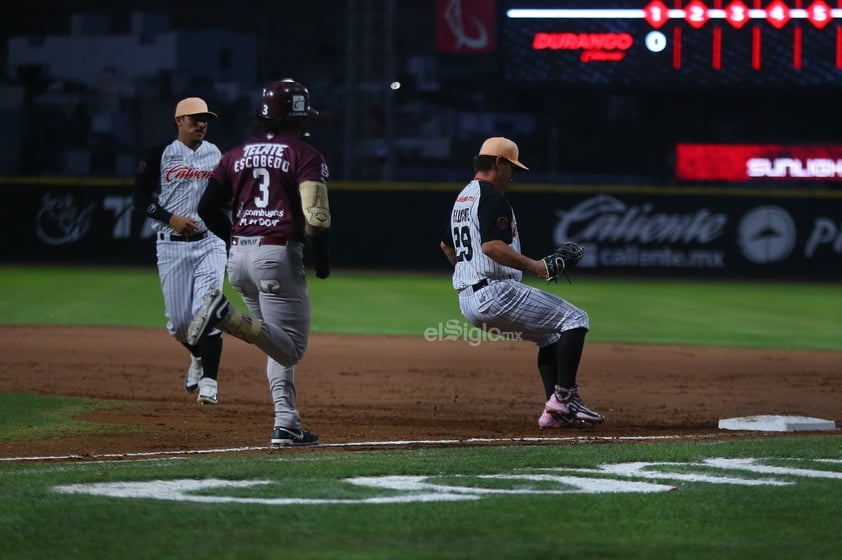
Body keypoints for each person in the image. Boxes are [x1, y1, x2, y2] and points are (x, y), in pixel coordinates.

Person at [186, 79, 331, 448]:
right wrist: (323, 258)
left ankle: (286, 423)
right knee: (292, 347)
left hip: (239, 258)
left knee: (272, 338)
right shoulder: (305, 154)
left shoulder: (235, 154)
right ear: (297, 118)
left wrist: (235, 237)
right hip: (277, 254)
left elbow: (206, 208)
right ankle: (224, 317)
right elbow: (316, 218)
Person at [439, 137, 604, 429]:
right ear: (498, 163)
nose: (513, 174)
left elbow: (447, 246)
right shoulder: (492, 196)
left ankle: (555, 413)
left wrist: (467, 272)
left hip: (469, 298)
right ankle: (565, 398)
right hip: (495, 292)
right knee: (576, 319)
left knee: (550, 337)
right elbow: (492, 247)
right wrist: (537, 267)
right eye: (512, 167)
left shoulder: (463, 198)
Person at [132, 97, 227, 405]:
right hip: (171, 246)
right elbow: (139, 199)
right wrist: (168, 218)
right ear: (178, 121)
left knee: (207, 309)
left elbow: (226, 196)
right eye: (194, 118)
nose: (201, 124)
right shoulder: (160, 153)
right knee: (179, 325)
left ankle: (210, 382)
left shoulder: (216, 154)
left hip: (210, 241)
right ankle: (197, 359)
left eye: (205, 119)